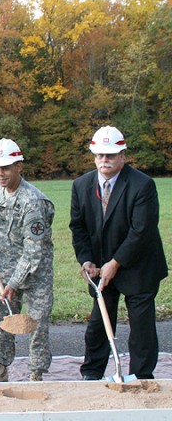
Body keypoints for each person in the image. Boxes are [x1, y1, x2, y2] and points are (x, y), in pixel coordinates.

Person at [70, 125, 167, 380]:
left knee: (141, 326)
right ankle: (91, 374)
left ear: (122, 155)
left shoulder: (142, 185)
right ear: (94, 156)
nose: (105, 160)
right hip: (100, 267)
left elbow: (141, 231)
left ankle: (141, 377)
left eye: (111, 155)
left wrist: (117, 262)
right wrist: (86, 260)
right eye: (100, 155)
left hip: (139, 265)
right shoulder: (81, 186)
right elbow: (78, 228)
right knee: (99, 323)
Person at [0, 139, 55, 382]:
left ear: (19, 166)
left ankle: (36, 373)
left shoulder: (33, 202)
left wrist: (13, 283)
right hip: (6, 268)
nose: (0, 173)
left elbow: (34, 251)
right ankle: (1, 368)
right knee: (3, 320)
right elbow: (1, 227)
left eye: (6, 167)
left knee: (36, 323)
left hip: (35, 274)